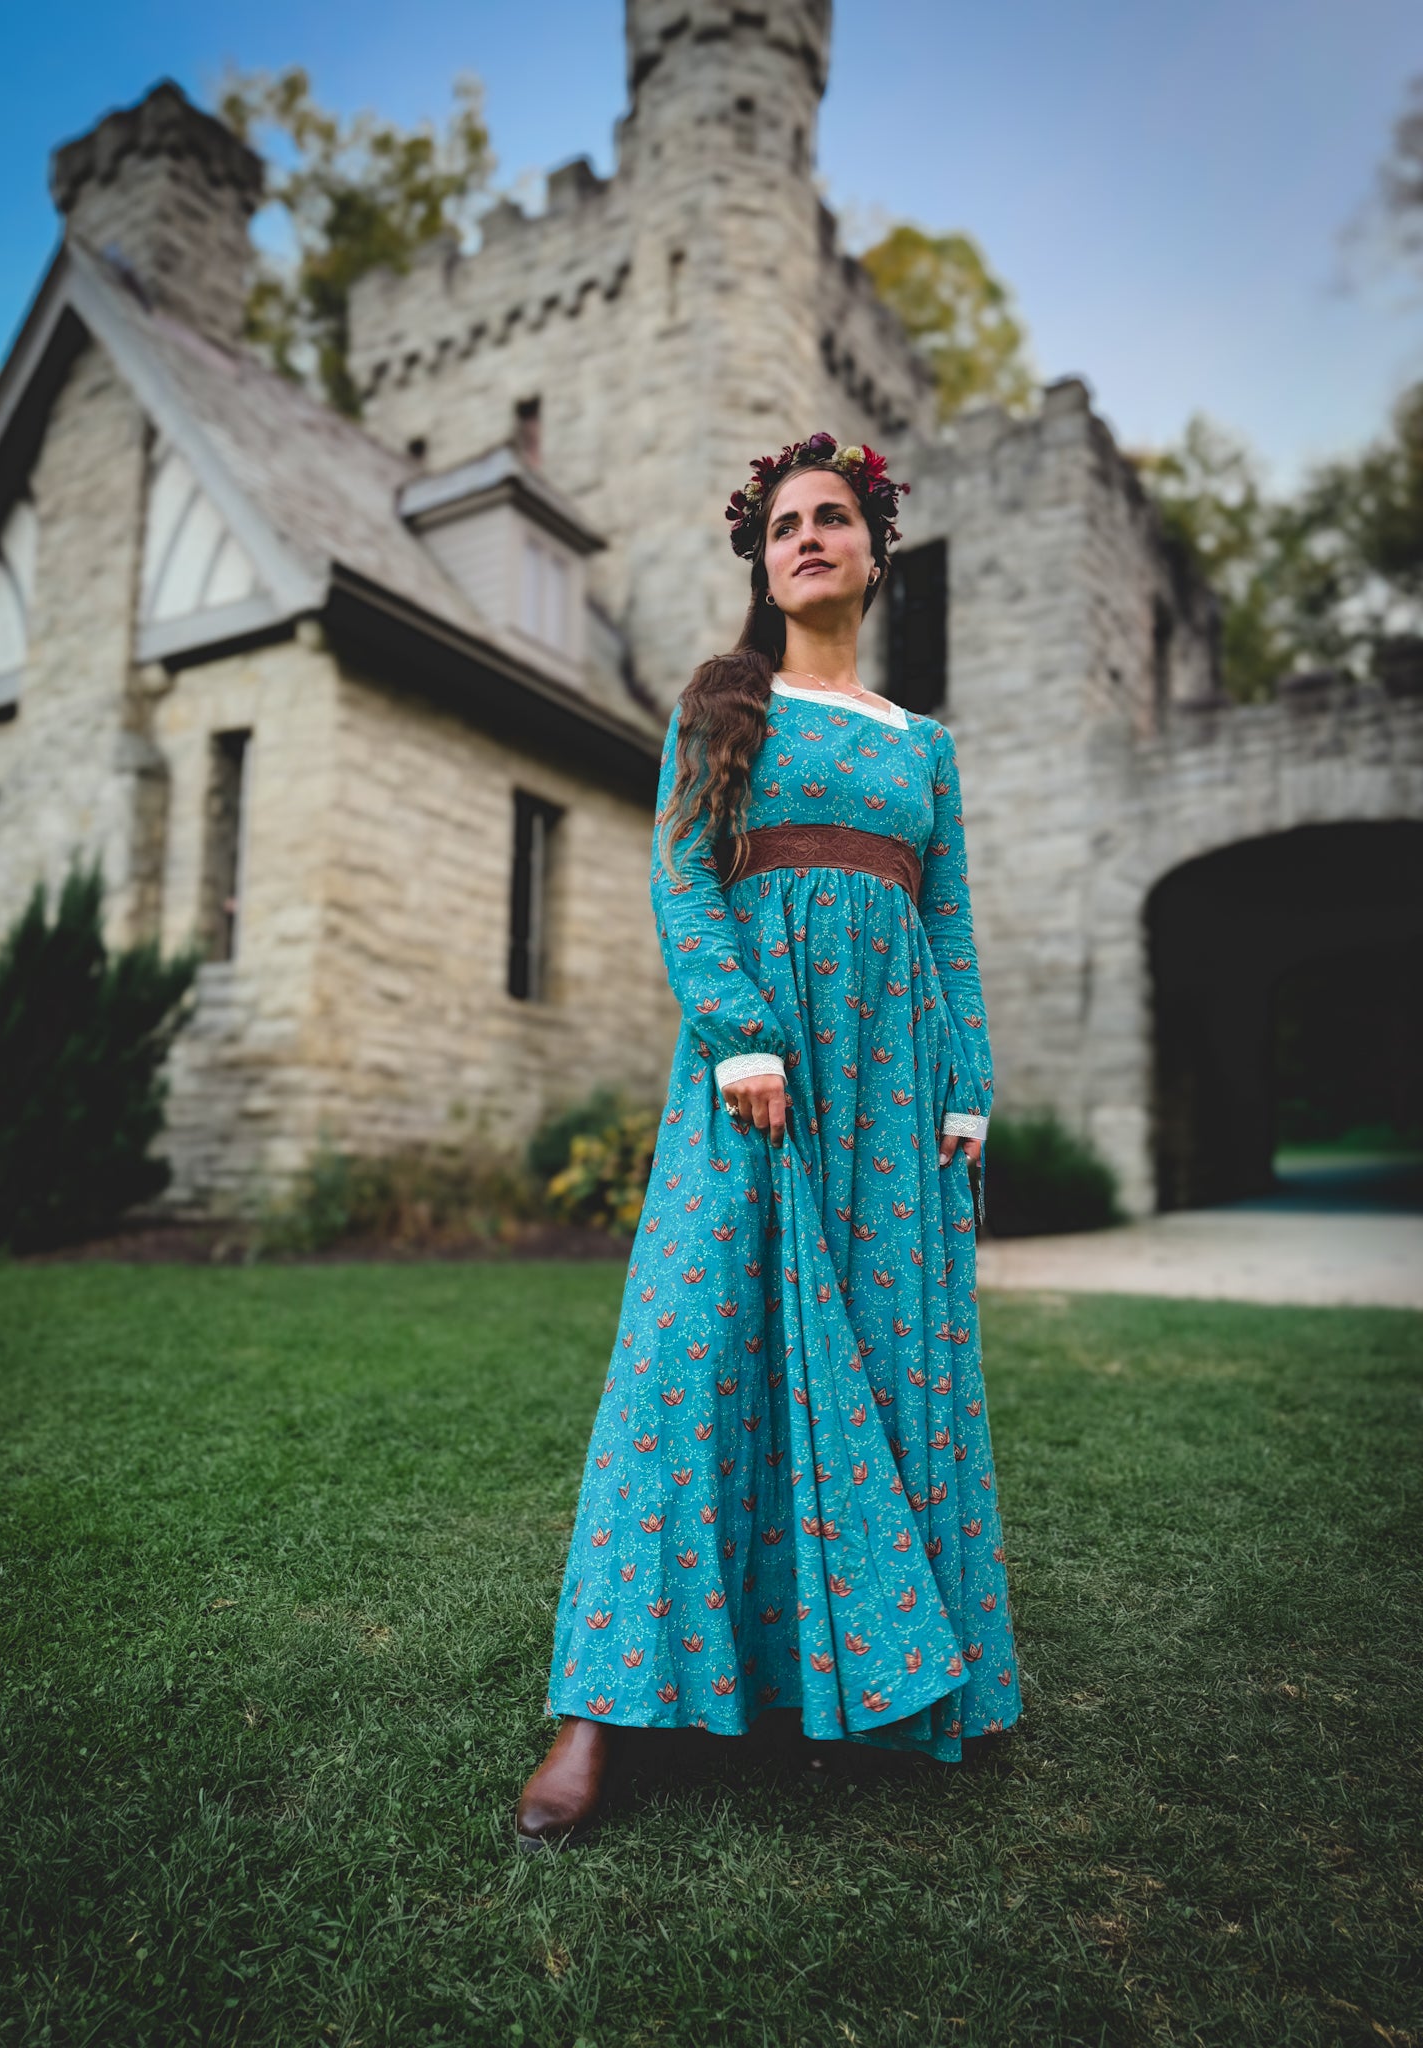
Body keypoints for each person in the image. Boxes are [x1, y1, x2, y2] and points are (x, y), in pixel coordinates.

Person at [514, 431, 1022, 1849]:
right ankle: (601, 1714)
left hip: (895, 1094)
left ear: (873, 551)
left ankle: (865, 1685)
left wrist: (968, 1084)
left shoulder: (924, 748)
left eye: (833, 517)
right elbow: (683, 879)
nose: (808, 536)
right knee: (688, 1357)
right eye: (785, 522)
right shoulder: (722, 706)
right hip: (756, 1079)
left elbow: (947, 926)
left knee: (891, 1360)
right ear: (762, 559)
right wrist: (740, 1034)